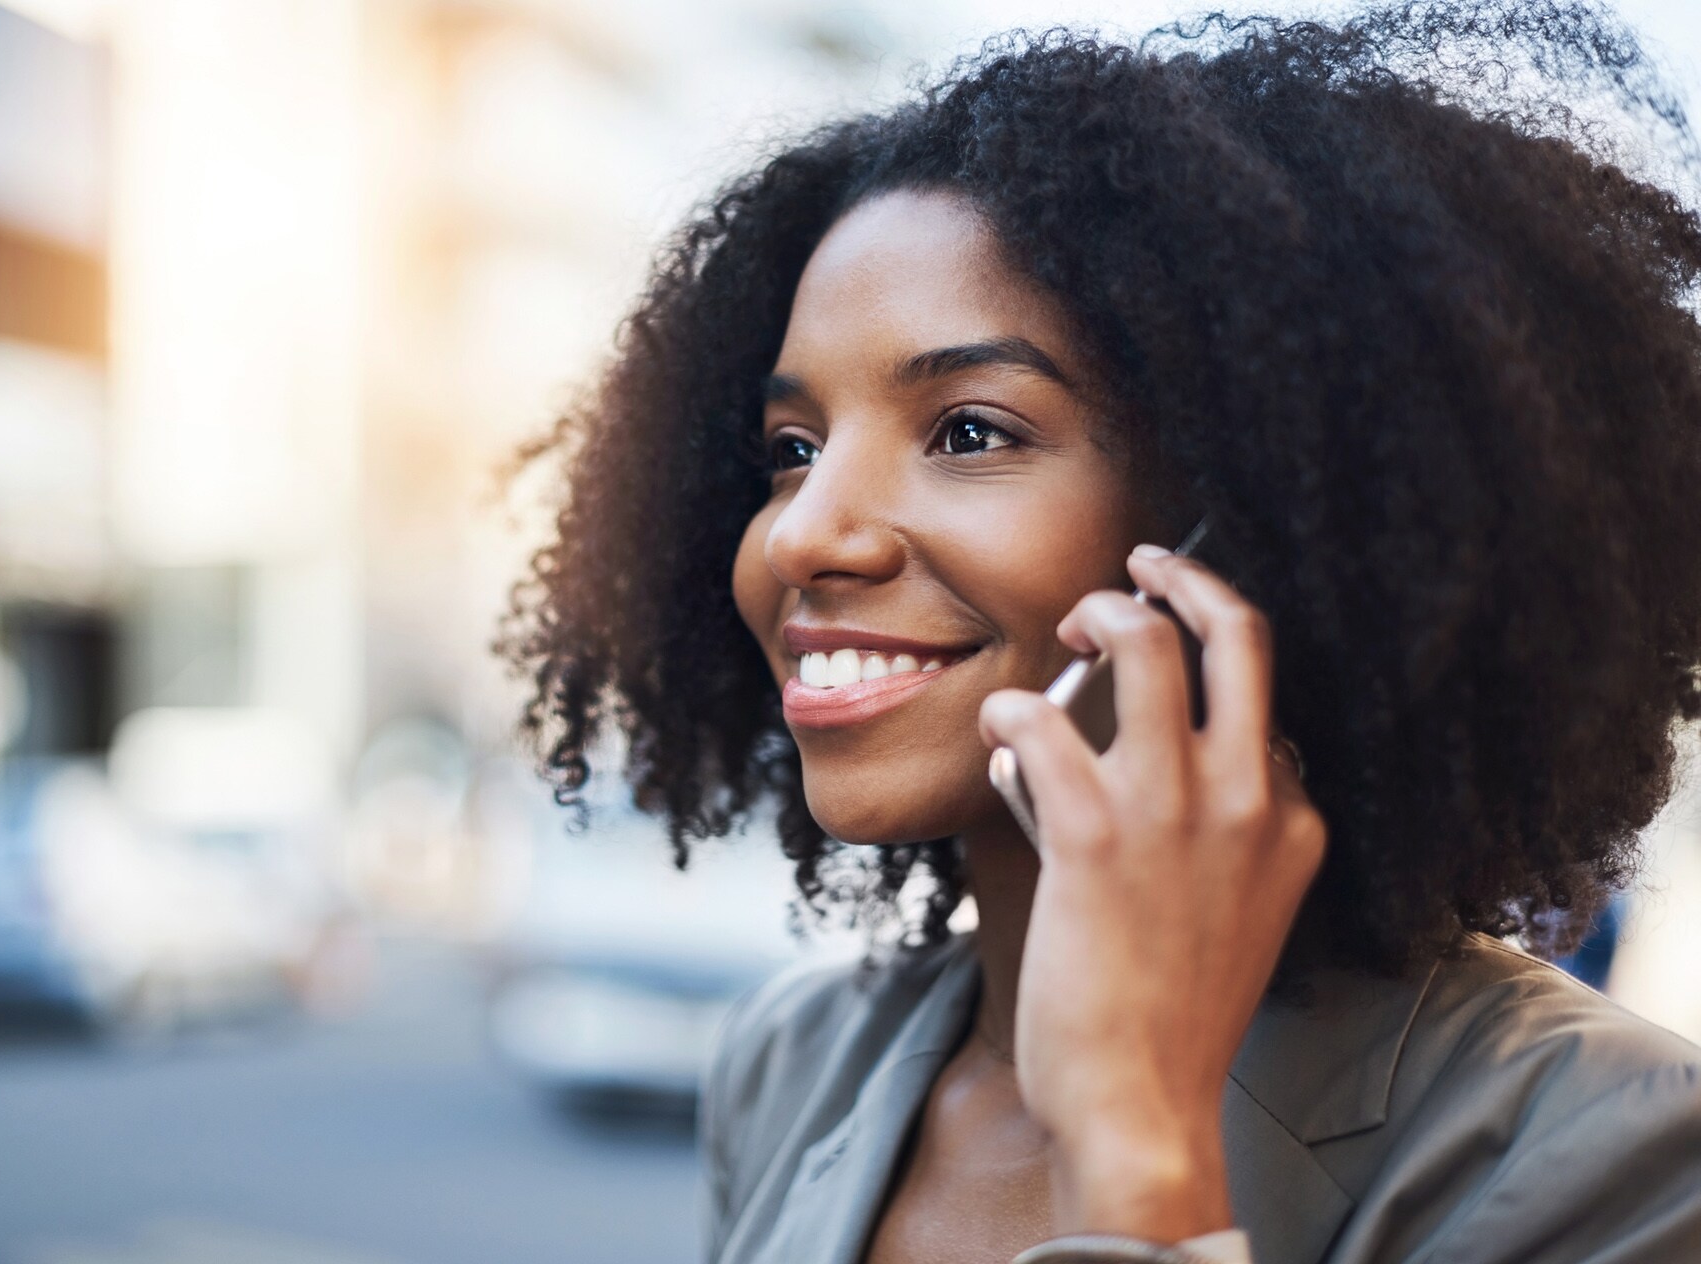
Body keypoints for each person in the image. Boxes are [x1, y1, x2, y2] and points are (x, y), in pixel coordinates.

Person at [499, 4, 1701, 1261]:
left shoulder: (1615, 1155)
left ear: (1258, 522)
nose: (800, 536)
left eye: (969, 430)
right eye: (789, 451)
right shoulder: (792, 1062)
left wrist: (1138, 1150)